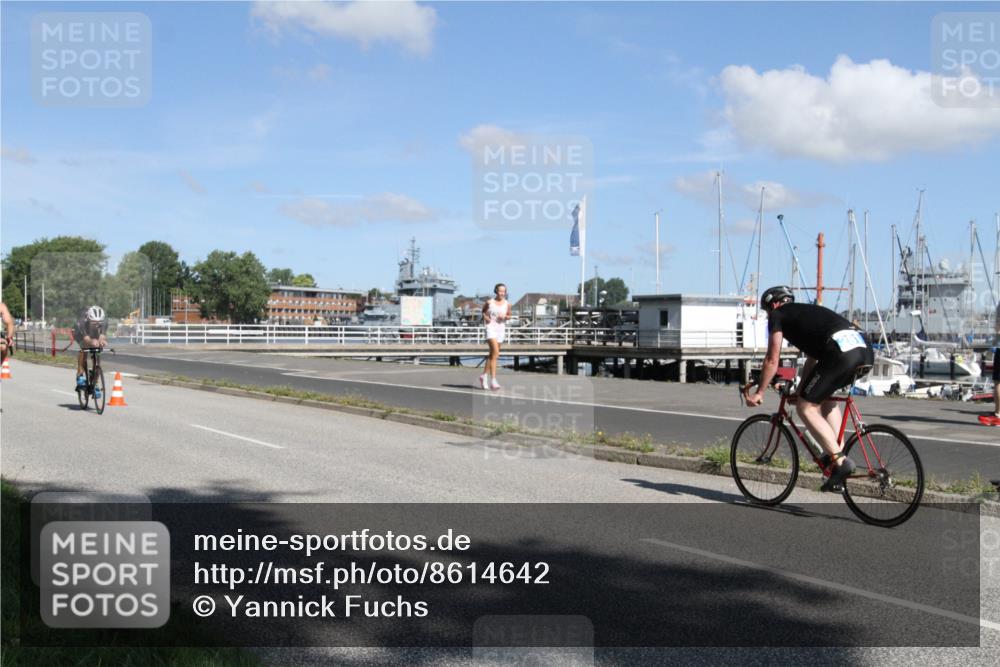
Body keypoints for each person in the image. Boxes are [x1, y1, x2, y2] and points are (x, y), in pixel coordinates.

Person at [744, 286, 874, 492]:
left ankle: (840, 462)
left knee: (806, 408)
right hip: (865, 352)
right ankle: (836, 455)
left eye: (767, 311)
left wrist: (760, 392)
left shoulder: (778, 314)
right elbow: (813, 360)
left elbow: (772, 359)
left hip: (840, 355)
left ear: (774, 305)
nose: (769, 315)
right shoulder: (808, 314)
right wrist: (802, 390)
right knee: (825, 398)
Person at [479, 283, 512, 391]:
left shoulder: (507, 304)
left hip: (500, 330)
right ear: (496, 291)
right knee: (496, 353)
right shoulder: (489, 302)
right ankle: (493, 380)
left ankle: (484, 376)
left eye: (504, 291)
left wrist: (505, 317)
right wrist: (485, 317)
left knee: (493, 355)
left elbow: (509, 316)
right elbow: (483, 311)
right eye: (500, 291)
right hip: (490, 328)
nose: (502, 293)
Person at [73, 305, 108, 394]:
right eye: (94, 323)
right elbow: (86, 338)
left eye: (99, 323)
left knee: (97, 350)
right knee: (84, 347)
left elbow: (102, 336)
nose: (97, 325)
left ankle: (95, 383)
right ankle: (80, 374)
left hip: (93, 334)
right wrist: (92, 341)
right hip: (80, 334)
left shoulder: (104, 322)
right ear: (89, 319)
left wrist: (102, 341)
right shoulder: (82, 322)